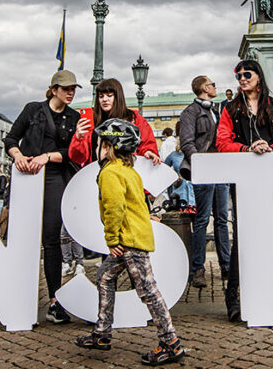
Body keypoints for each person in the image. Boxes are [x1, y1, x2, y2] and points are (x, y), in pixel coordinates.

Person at [74, 118, 185, 366]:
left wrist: (112, 240)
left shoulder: (110, 172)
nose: (97, 147)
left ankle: (171, 343)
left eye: (100, 143)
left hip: (128, 241)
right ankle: (101, 334)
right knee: (104, 277)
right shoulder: (129, 171)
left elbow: (114, 209)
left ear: (107, 147)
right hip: (132, 238)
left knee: (147, 289)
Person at [217, 59, 273, 322]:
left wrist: (272, 147)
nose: (242, 79)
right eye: (238, 75)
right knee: (242, 235)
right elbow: (222, 142)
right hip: (243, 179)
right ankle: (233, 297)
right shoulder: (230, 109)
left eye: (247, 74)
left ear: (258, 77)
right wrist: (246, 149)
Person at [4, 69, 80, 324]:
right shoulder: (32, 110)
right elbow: (11, 138)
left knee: (51, 238)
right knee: (22, 237)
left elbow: (71, 153)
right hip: (26, 176)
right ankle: (17, 298)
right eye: (66, 88)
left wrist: (46, 157)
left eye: (73, 89)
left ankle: (54, 300)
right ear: (54, 89)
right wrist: (18, 156)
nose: (70, 92)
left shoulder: (74, 117)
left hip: (54, 176)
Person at [178, 75, 230, 288]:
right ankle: (197, 268)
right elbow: (187, 143)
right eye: (212, 84)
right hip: (204, 168)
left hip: (221, 167)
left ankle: (226, 266)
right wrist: (199, 163)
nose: (215, 87)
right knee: (201, 220)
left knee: (221, 219)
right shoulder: (191, 112)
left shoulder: (217, 110)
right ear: (203, 88)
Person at [68, 78, 159, 166]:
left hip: (127, 171)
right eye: (101, 96)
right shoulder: (92, 122)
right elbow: (78, 158)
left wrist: (148, 152)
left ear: (118, 97)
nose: (104, 99)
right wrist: (78, 138)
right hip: (96, 174)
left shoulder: (135, 120)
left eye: (109, 95)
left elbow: (147, 144)